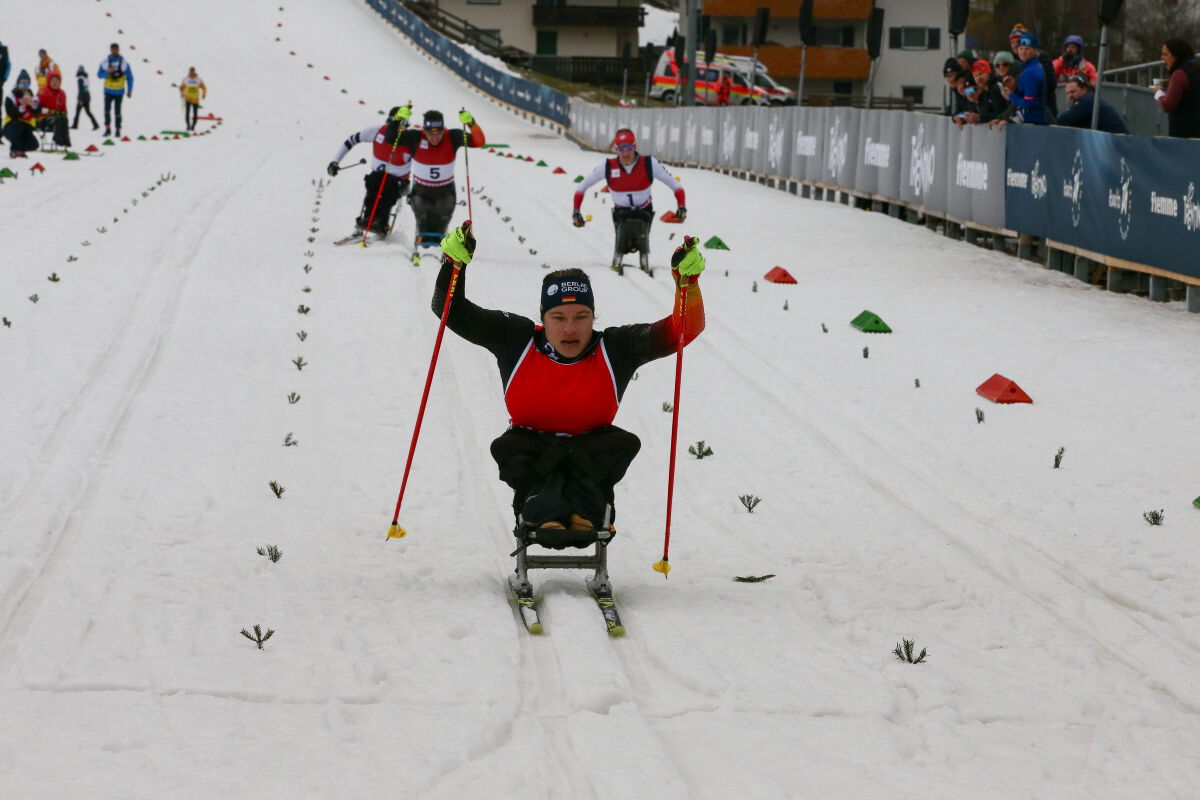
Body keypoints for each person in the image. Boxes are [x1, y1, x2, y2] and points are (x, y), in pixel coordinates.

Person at [431, 221, 706, 533]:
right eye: (558, 317)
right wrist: (453, 265)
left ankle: (586, 514)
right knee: (510, 450)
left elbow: (682, 330)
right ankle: (544, 512)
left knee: (620, 444)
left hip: (593, 453)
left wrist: (689, 284)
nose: (570, 329)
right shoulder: (516, 338)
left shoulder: (615, 347)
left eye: (581, 317)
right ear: (543, 318)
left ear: (593, 317)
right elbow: (449, 310)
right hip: (530, 450)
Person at [572, 128, 686, 275]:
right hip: (621, 211)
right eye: (621, 149)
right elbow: (582, 187)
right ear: (616, 149)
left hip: (644, 210)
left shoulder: (649, 163)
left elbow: (675, 185)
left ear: (635, 146)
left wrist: (681, 207)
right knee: (622, 233)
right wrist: (576, 211)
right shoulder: (607, 166)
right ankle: (618, 255)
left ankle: (643, 257)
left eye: (629, 148)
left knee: (642, 231)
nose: (625, 153)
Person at [397, 108, 485, 253]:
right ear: (424, 131)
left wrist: (471, 123)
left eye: (438, 133)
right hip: (421, 190)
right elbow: (391, 138)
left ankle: (441, 241)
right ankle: (421, 242)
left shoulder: (452, 136)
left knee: (442, 217)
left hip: (444, 190)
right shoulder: (414, 137)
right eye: (430, 133)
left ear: (443, 130)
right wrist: (398, 120)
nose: (434, 137)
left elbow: (479, 142)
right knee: (423, 218)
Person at [327, 105, 414, 236]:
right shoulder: (377, 131)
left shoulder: (411, 139)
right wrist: (335, 162)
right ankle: (367, 219)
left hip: (398, 181)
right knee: (373, 182)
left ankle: (382, 222)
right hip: (377, 176)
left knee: (389, 187)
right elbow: (351, 141)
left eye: (403, 124)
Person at [1154, 39, 1200, 139]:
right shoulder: (1196, 68)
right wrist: (1170, 84)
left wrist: (1159, 93)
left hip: (1184, 136)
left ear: (1176, 56)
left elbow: (1168, 106)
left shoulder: (1179, 74)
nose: (1162, 58)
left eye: (1165, 54)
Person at [1000, 33, 1049, 125]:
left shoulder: (1031, 71)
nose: (1023, 52)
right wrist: (1014, 88)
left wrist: (1011, 96)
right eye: (1021, 49)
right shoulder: (1029, 67)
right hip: (1032, 119)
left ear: (1035, 51)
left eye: (1027, 49)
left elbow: (1029, 102)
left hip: (1033, 121)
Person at [1056, 75, 1128, 133]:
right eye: (1068, 93)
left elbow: (1063, 120)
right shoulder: (1091, 99)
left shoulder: (1087, 100)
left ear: (1084, 90)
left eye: (1073, 92)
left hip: (1117, 140)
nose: (1070, 96)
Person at [97, 42, 133, 137]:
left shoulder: (124, 63)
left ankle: (118, 130)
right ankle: (107, 129)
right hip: (108, 91)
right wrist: (107, 73)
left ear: (118, 50)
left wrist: (130, 91)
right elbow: (99, 75)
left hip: (119, 91)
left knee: (118, 112)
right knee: (106, 110)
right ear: (110, 50)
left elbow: (130, 77)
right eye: (113, 49)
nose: (114, 51)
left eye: (116, 49)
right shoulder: (105, 62)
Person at [4, 85, 40, 158]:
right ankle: (14, 149)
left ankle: (20, 150)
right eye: (22, 83)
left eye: (27, 83)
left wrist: (33, 105)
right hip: (11, 127)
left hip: (26, 127)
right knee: (18, 126)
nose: (25, 86)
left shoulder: (32, 97)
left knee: (34, 144)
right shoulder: (11, 97)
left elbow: (38, 111)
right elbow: (13, 114)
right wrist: (22, 107)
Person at [36, 71, 70, 148]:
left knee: (64, 119)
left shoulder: (62, 93)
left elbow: (64, 108)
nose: (55, 83)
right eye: (53, 81)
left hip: (57, 119)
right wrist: (48, 111)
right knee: (58, 119)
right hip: (43, 120)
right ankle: (58, 140)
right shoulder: (42, 92)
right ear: (49, 81)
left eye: (57, 81)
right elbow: (36, 108)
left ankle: (66, 141)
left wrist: (62, 113)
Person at [179, 67, 206, 132]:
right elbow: (181, 87)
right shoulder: (185, 79)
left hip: (195, 99)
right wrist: (181, 91)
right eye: (191, 71)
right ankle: (188, 126)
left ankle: (193, 126)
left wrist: (204, 94)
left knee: (195, 114)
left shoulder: (198, 79)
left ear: (194, 71)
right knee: (187, 113)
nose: (192, 72)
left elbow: (204, 88)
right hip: (187, 98)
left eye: (193, 71)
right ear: (189, 71)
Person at [72, 65, 99, 130]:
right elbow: (85, 89)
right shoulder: (86, 78)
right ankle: (96, 125)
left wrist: (80, 99)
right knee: (88, 112)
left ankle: (75, 125)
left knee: (77, 112)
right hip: (87, 97)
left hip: (82, 98)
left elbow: (80, 89)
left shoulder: (80, 79)